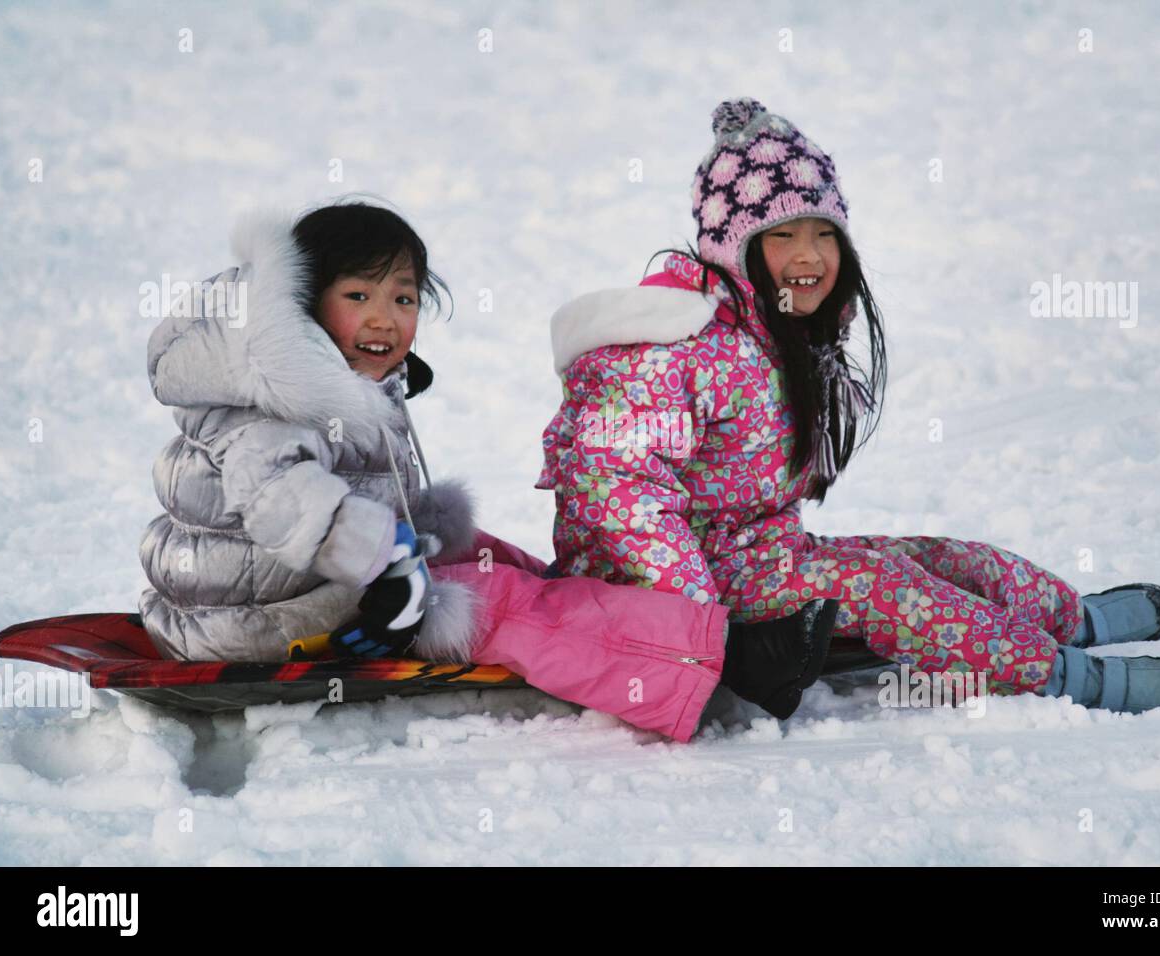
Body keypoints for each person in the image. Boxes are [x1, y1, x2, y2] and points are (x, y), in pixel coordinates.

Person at [536, 98, 1160, 717]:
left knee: (938, 559)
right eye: (782, 237)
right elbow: (615, 484)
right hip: (652, 593)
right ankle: (1078, 679)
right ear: (733, 248)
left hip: (758, 557)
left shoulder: (775, 335)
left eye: (824, 234)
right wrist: (699, 624)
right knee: (889, 589)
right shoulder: (669, 347)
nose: (810, 256)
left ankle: (1076, 618)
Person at [138, 199, 806, 742]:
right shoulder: (276, 393)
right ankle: (721, 658)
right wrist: (385, 562)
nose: (384, 317)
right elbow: (284, 499)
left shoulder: (329, 377)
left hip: (287, 584)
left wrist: (400, 547)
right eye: (357, 295)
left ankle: (616, 618)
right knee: (498, 601)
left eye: (403, 298)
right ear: (305, 303)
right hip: (261, 619)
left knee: (491, 558)